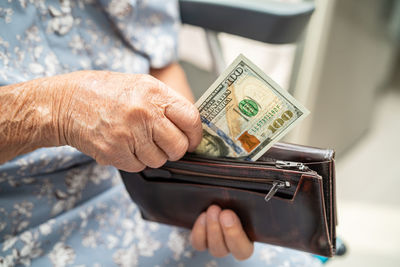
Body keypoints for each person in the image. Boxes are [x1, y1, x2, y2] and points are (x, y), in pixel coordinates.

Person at [0, 1, 322, 266]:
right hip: (24, 221)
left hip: (149, 182)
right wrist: (58, 110)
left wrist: (199, 186)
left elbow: (160, 60)